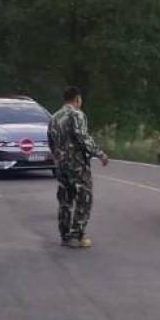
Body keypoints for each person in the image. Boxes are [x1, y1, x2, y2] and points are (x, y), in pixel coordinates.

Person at [48, 85, 108, 249]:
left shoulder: (54, 117)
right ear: (77, 99)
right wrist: (99, 153)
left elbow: (51, 141)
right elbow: (82, 137)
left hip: (61, 164)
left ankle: (65, 235)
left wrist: (58, 157)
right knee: (84, 197)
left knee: (65, 200)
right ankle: (77, 234)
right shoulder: (77, 114)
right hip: (77, 164)